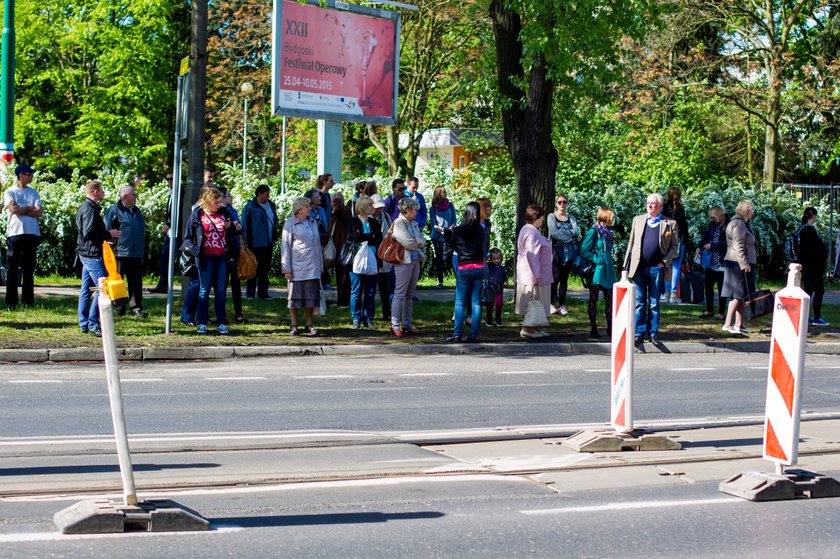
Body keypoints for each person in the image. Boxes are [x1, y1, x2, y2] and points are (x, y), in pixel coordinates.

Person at [623, 193, 679, 346]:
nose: (650, 205)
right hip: (639, 268)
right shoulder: (638, 220)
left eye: (654, 203)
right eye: (648, 203)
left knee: (654, 303)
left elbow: (675, 246)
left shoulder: (670, 223)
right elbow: (631, 243)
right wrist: (625, 267)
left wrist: (664, 262)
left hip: (656, 268)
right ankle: (638, 333)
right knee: (639, 302)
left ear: (660, 206)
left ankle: (653, 333)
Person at [182, 187, 234, 335]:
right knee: (204, 290)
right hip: (206, 257)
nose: (219, 205)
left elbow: (235, 231)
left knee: (220, 291)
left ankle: (221, 322)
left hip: (221, 256)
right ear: (207, 202)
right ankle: (202, 322)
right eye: (215, 202)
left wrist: (230, 227)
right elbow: (187, 238)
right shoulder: (197, 214)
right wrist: (196, 251)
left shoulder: (224, 213)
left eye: (220, 202)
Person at [76, 180, 121, 336]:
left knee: (87, 289)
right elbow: (88, 232)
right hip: (92, 254)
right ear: (95, 192)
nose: (103, 192)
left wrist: (103, 238)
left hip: (86, 252)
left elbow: (88, 232)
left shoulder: (86, 207)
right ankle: (93, 323)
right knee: (103, 287)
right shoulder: (89, 210)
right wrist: (109, 234)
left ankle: (84, 322)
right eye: (101, 190)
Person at [444, 202, 487, 343]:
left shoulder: (458, 231)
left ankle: (457, 334)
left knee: (460, 301)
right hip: (479, 266)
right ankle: (473, 334)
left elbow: (453, 245)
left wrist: (448, 232)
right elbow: (485, 247)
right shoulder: (482, 230)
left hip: (464, 266)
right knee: (476, 302)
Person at [282, 197, 324, 336]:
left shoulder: (312, 222)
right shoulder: (290, 224)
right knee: (294, 296)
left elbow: (317, 245)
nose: (309, 208)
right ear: (299, 209)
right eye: (307, 206)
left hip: (312, 264)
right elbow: (286, 246)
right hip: (297, 265)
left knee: (311, 296)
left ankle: (309, 324)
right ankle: (294, 325)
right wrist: (286, 267)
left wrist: (320, 264)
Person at [4, 164, 42, 309]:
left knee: (28, 269)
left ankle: (28, 301)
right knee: (12, 269)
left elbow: (39, 211)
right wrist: (30, 208)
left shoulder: (34, 193)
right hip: (15, 233)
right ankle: (11, 302)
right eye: (29, 174)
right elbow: (14, 210)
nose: (31, 176)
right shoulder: (10, 192)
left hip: (31, 234)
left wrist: (23, 209)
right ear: (21, 175)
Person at [104, 185, 146, 318]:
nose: (136, 197)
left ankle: (136, 307)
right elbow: (106, 230)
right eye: (133, 194)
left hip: (135, 253)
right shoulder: (114, 211)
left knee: (136, 282)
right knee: (118, 281)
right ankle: (119, 307)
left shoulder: (137, 212)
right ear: (125, 197)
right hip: (119, 253)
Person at [389, 197, 425, 337]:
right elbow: (407, 243)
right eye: (415, 210)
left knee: (409, 295)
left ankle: (407, 324)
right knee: (400, 293)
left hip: (415, 260)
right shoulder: (399, 223)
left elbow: (422, 240)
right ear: (408, 210)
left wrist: (416, 242)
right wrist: (417, 242)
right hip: (403, 261)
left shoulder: (413, 223)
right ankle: (395, 324)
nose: (417, 212)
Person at [516, 204, 552, 339]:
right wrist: (536, 274)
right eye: (542, 216)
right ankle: (528, 329)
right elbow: (532, 255)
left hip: (532, 272)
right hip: (533, 274)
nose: (543, 219)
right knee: (534, 302)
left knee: (537, 302)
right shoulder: (532, 232)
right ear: (537, 217)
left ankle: (534, 327)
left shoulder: (529, 230)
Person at [721, 199, 757, 335]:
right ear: (747, 211)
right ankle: (728, 324)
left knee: (742, 295)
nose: (752, 213)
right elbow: (738, 246)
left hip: (738, 263)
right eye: (752, 211)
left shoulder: (740, 223)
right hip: (737, 263)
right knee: (736, 295)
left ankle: (739, 324)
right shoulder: (739, 224)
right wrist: (745, 264)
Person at [580, 207, 616, 339]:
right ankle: (593, 329)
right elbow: (584, 250)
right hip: (597, 270)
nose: (612, 219)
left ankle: (610, 328)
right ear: (604, 216)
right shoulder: (593, 231)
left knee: (610, 300)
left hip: (608, 269)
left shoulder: (609, 231)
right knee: (593, 299)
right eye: (610, 216)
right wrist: (595, 259)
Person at [347, 195, 383, 329]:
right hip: (356, 260)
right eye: (370, 205)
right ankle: (356, 317)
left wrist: (366, 237)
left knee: (371, 291)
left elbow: (378, 239)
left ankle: (368, 318)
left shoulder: (374, 223)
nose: (372, 208)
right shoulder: (353, 221)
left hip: (372, 260)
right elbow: (355, 237)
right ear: (362, 207)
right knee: (356, 290)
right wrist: (369, 237)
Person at [241, 184, 277, 300]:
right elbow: (245, 225)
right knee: (253, 268)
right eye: (266, 194)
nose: (268, 196)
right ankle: (250, 293)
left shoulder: (271, 205)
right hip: (255, 243)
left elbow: (274, 220)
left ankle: (263, 293)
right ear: (259, 194)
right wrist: (245, 242)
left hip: (268, 242)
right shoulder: (250, 207)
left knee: (264, 269)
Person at [547, 194, 580, 315]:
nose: (562, 204)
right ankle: (550, 303)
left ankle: (561, 305)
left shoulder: (571, 218)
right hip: (555, 251)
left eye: (564, 202)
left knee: (564, 279)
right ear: (556, 203)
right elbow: (554, 232)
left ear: (568, 203)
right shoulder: (551, 217)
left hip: (569, 252)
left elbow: (576, 232)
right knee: (554, 278)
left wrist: (564, 234)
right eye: (559, 202)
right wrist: (568, 236)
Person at [796, 207, 829, 326]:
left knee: (808, 291)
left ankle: (803, 315)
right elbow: (818, 248)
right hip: (813, 267)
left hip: (805, 265)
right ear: (813, 216)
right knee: (819, 290)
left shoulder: (801, 229)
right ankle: (817, 317)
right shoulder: (809, 230)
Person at [695, 206, 728, 319]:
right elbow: (705, 237)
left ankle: (721, 312)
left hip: (722, 261)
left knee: (721, 287)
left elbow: (728, 242)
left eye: (714, 217)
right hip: (710, 261)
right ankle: (709, 309)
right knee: (708, 285)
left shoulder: (728, 225)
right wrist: (699, 247)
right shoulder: (713, 224)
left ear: (719, 215)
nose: (712, 220)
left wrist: (712, 246)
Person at [219, 187, 244, 323]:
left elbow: (240, 228)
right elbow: (234, 228)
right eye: (228, 195)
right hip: (223, 251)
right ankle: (222, 314)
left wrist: (234, 227)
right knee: (222, 284)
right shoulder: (220, 211)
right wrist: (234, 227)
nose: (231, 197)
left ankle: (238, 314)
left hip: (233, 250)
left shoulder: (231, 210)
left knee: (235, 283)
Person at [662, 187, 690, 303]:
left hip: (666, 240)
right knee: (676, 266)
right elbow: (684, 225)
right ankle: (674, 293)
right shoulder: (680, 208)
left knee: (666, 266)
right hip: (678, 240)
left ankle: (667, 292)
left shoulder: (664, 207)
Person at [148, 172, 174, 294]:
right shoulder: (171, 194)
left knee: (181, 259)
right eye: (168, 179)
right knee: (165, 258)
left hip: (177, 233)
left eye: (172, 179)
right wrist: (168, 225)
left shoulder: (181, 194)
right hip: (170, 232)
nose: (169, 182)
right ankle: (163, 284)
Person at [429, 186, 457, 289]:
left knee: (452, 257)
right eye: (443, 192)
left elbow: (454, 220)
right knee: (440, 259)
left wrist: (449, 229)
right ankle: (440, 281)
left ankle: (457, 279)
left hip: (449, 236)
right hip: (437, 237)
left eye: (445, 191)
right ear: (438, 194)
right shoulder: (433, 208)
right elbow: (434, 224)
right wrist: (442, 231)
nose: (445, 193)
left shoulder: (450, 205)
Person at [371, 194, 392, 323]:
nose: (379, 210)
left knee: (384, 286)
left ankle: (386, 312)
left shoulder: (386, 217)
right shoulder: (367, 219)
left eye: (381, 207)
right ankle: (370, 313)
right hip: (372, 254)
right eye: (377, 207)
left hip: (383, 255)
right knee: (371, 286)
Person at [329, 191, 352, 307]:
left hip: (343, 248)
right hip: (338, 246)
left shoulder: (344, 210)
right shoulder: (338, 212)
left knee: (344, 276)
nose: (331, 204)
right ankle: (340, 300)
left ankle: (344, 302)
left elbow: (338, 210)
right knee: (339, 275)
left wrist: (337, 201)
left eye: (333, 202)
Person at [483, 248, 508, 327]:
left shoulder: (502, 268)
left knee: (499, 305)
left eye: (498, 258)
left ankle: (498, 320)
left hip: (499, 290)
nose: (496, 260)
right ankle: (489, 320)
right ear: (491, 258)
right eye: (494, 259)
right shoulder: (488, 266)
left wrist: (505, 281)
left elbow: (505, 277)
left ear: (501, 258)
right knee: (489, 305)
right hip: (490, 290)